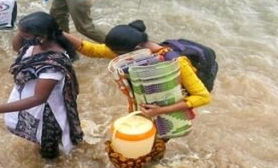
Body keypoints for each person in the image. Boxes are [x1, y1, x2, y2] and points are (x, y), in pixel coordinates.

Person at [0, 12, 83, 159]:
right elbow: (16, 47)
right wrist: (22, 30)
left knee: (49, 149)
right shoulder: (37, 43)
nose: (20, 36)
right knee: (39, 138)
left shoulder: (53, 66)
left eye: (25, 35)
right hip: (30, 98)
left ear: (41, 37)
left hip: (48, 110)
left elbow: (39, 98)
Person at [62, 20, 212, 120]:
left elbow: (203, 97)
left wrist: (159, 111)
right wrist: (59, 32)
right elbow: (93, 50)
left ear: (137, 49)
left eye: (119, 55)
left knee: (155, 141)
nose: (118, 58)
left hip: (169, 106)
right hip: (150, 104)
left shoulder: (176, 62)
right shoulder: (131, 52)